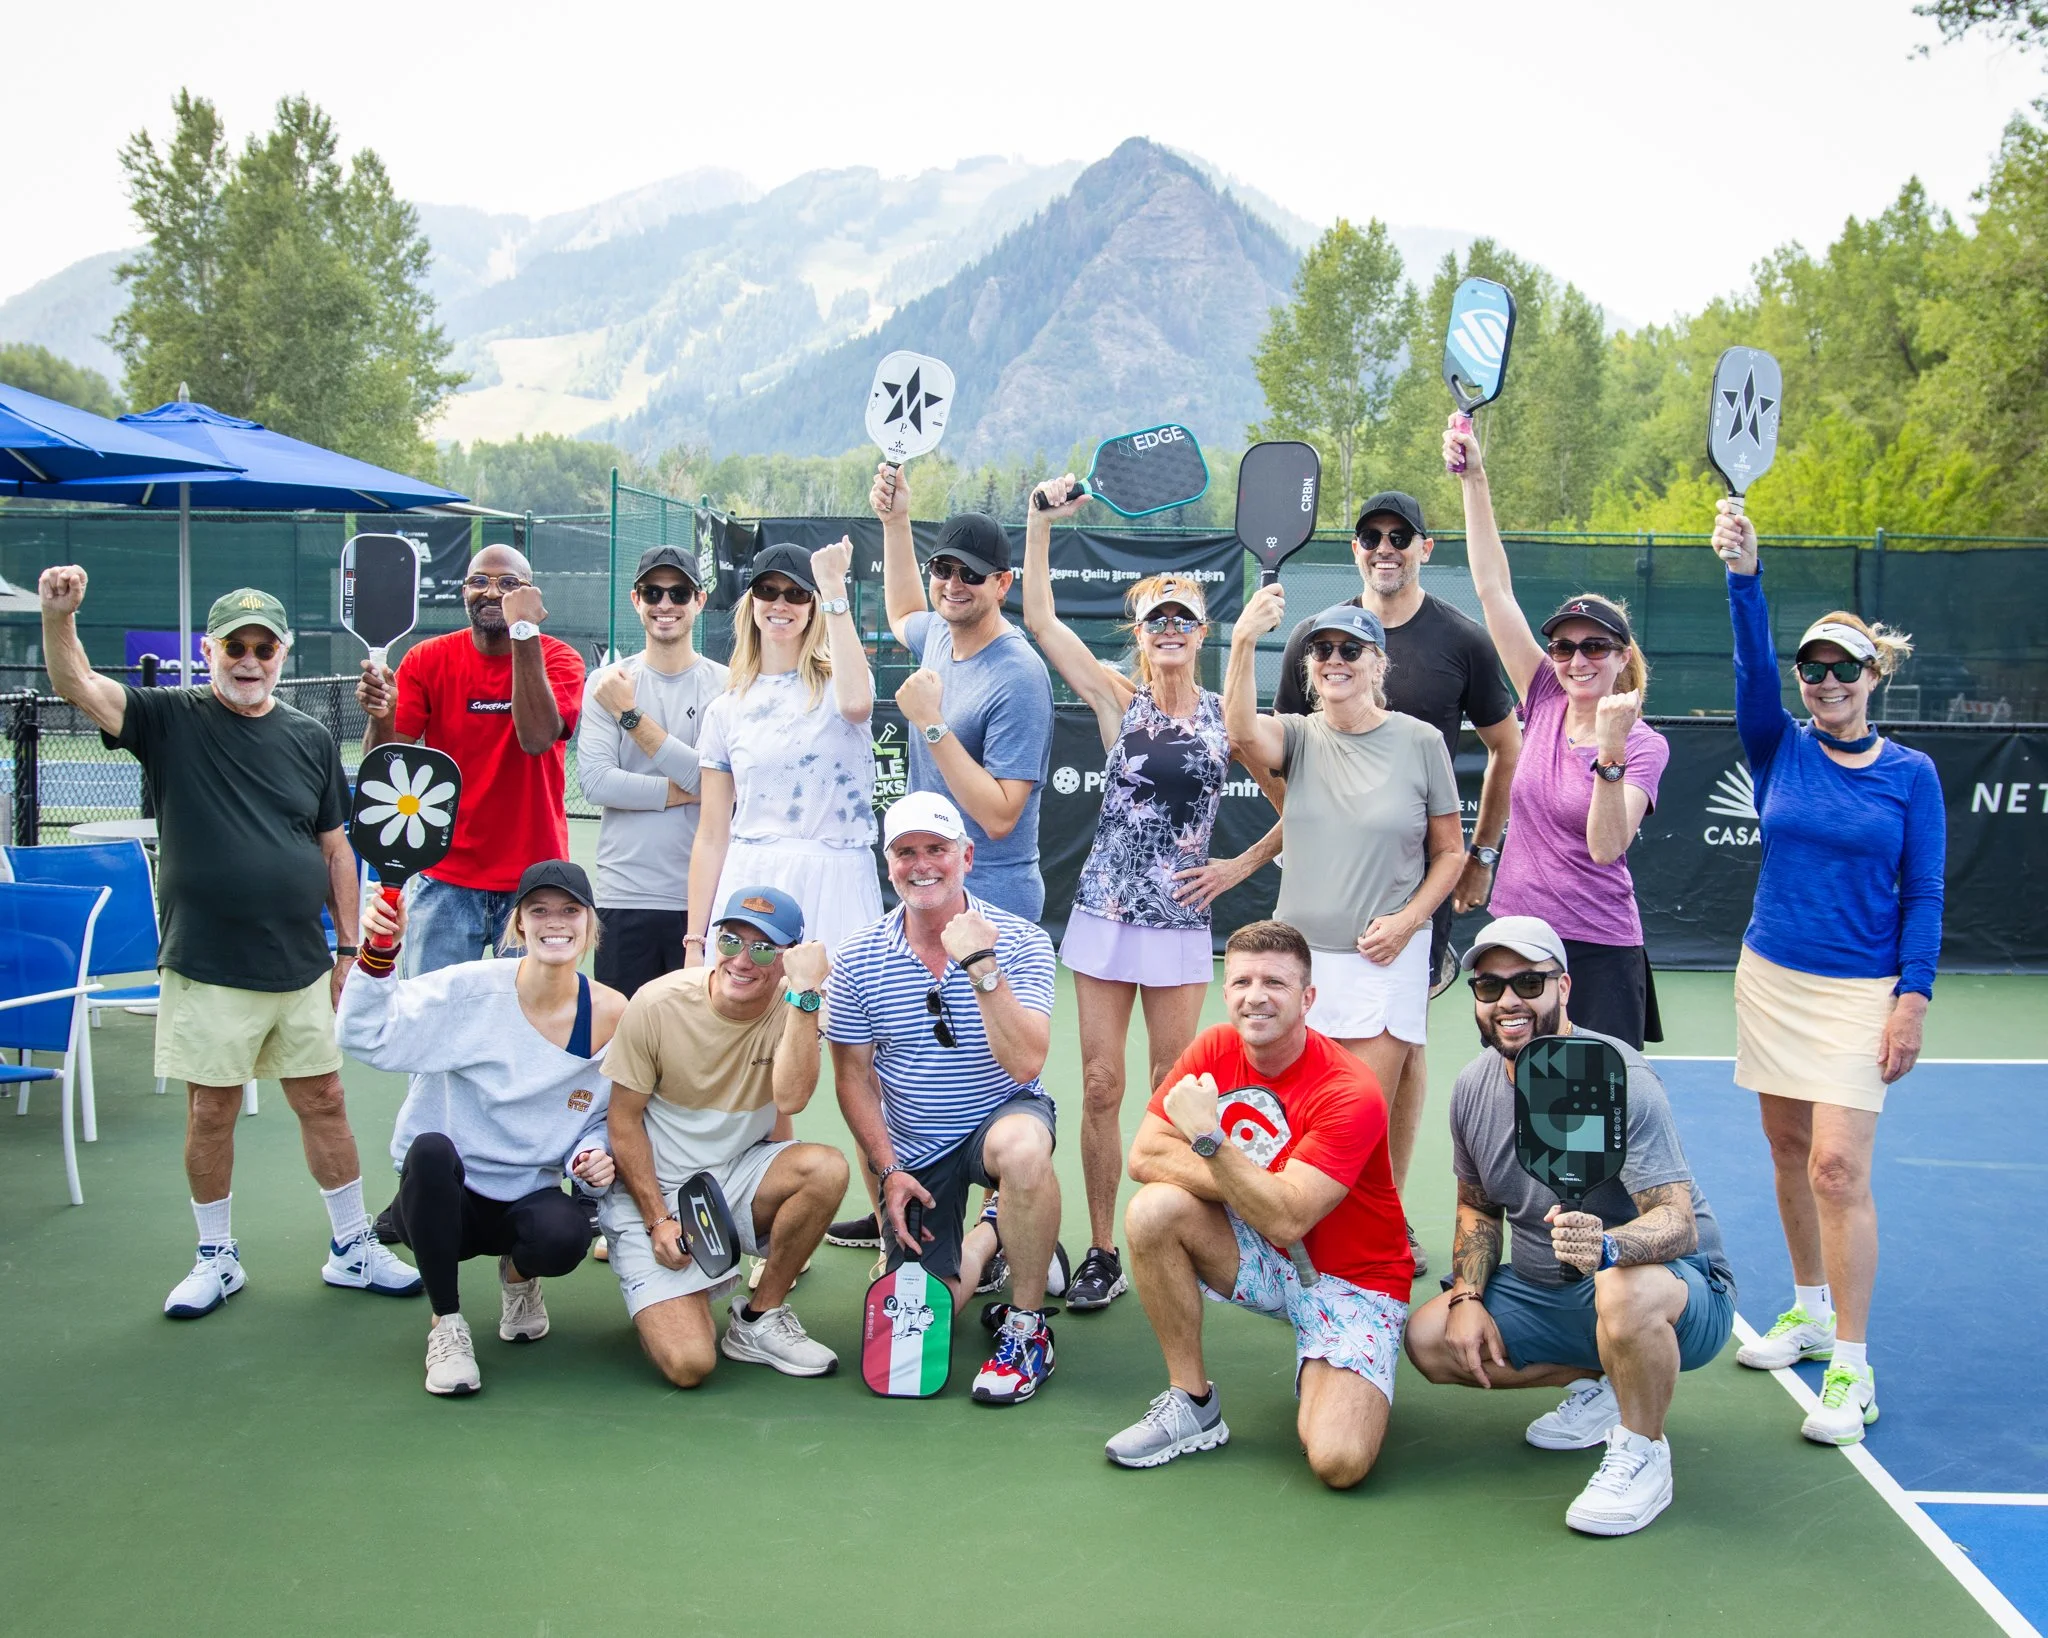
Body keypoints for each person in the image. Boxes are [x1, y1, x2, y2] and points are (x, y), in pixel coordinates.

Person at [38, 570, 419, 1317]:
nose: (249, 660)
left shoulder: (309, 737)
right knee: (210, 1111)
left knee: (325, 1098)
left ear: (281, 655)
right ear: (209, 650)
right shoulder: (166, 718)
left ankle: (351, 1247)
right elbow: (78, 684)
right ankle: (216, 1257)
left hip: (301, 964)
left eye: (263, 647)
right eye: (235, 647)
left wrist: (348, 952)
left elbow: (337, 851)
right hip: (207, 962)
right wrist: (59, 617)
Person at [1713, 504, 1944, 1446]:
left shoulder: (1911, 776)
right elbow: (1750, 669)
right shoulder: (1779, 748)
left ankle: (1853, 1364)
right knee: (1783, 1151)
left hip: (1860, 994)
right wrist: (1743, 576)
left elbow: (1923, 893)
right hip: (1771, 975)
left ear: (1873, 675)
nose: (1825, 681)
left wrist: (1912, 1000)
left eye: (1844, 666)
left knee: (1837, 1169)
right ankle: (1807, 1310)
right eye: (1813, 668)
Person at [1018, 475, 1265, 1311]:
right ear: (1138, 633)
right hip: (1104, 917)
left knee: (1173, 1088)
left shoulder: (1226, 714)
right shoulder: (1115, 701)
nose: (1168, 631)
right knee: (1098, 1086)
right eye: (1155, 619)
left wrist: (1238, 869)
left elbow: (1300, 803)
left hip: (1183, 926)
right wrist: (1040, 524)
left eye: (1183, 619)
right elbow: (1044, 622)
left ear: (1202, 634)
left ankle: (1174, 1231)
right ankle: (1099, 1248)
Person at [1404, 916, 1735, 1537]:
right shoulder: (1473, 1087)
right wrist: (1470, 1296)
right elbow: (1477, 1206)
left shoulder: (1620, 1079)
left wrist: (1608, 1245)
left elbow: (1679, 1223)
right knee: (1429, 1337)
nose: (1508, 1000)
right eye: (1489, 986)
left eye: (1529, 983)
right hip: (1545, 1289)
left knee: (1621, 1289)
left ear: (1564, 988)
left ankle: (1644, 1452)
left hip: (1673, 1289)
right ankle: (1610, 1380)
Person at [1263, 489, 1523, 1272]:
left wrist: (1479, 854)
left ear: (1423, 546)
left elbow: (1506, 750)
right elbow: (1282, 755)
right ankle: (1294, 1207)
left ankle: (1384, 1211)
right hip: (1324, 893)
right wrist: (1312, 825)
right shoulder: (1317, 637)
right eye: (1370, 535)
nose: (1385, 546)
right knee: (1306, 1051)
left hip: (1417, 887)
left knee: (1399, 1059)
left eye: (1398, 535)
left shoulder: (1462, 640)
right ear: (1355, 549)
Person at [1110, 920, 1413, 1485]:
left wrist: (1208, 1142)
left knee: (1339, 1462)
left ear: (1308, 997)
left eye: (1275, 982)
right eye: (1243, 981)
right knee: (1152, 1210)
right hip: (1260, 1249)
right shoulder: (1215, 1047)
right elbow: (1146, 1156)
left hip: (1353, 1281)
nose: (1256, 996)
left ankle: (1340, 1357)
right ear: (1226, 992)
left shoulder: (1350, 1091)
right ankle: (1191, 1403)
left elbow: (1288, 1214)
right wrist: (1258, 1186)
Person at [337, 860, 623, 1395]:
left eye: (569, 911)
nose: (553, 922)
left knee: (564, 1237)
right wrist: (378, 954)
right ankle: (446, 1325)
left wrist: (592, 1154)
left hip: (527, 1195)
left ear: (590, 926)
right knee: (428, 1152)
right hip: (447, 1195)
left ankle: (519, 1281)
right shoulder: (468, 989)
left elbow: (604, 1116)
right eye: (539, 910)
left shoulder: (612, 1014)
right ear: (518, 924)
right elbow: (365, 1034)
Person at [827, 792, 1066, 1406]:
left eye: (937, 849)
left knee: (1021, 1151)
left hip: (1000, 1118)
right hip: (916, 1154)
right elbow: (853, 1081)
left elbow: (1027, 1062)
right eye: (906, 852)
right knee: (925, 1315)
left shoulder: (1019, 940)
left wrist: (981, 965)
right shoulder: (858, 956)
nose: (922, 864)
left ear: (967, 856)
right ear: (889, 866)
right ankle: (992, 1234)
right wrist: (889, 1171)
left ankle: (1026, 1328)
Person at [1447, 418, 1669, 1047]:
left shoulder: (1645, 745)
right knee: (1514, 1098)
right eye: (1564, 647)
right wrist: (1476, 476)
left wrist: (1612, 749)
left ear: (1623, 655)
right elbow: (1493, 588)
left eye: (1594, 646)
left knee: (1593, 1127)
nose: (1576, 659)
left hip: (1597, 949)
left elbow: (1605, 846)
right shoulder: (1543, 693)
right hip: (1518, 940)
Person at [1224, 589, 1466, 1148]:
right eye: (1322, 649)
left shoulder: (1421, 741)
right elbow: (1240, 732)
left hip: (1383, 962)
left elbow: (1450, 851)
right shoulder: (1299, 735)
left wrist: (1407, 923)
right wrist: (1243, 639)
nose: (1335, 659)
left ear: (1378, 662)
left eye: (1351, 649)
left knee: (1356, 1129)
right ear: (1310, 666)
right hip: (1297, 965)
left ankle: (1366, 1233)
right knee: (1285, 1123)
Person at [600, 885, 847, 1385]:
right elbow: (622, 1123)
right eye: (732, 941)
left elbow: (793, 1098)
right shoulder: (657, 1003)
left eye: (763, 949)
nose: (743, 961)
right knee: (690, 1365)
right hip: (654, 1194)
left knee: (827, 1169)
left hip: (734, 1177)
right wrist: (656, 1222)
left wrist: (805, 995)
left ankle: (758, 1318)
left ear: (787, 959)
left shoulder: (796, 1006)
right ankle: (661, 1288)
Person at [355, 542, 586, 975]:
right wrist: (381, 715)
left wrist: (523, 632)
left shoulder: (560, 659)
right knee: (430, 1023)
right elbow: (385, 768)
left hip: (533, 885)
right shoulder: (427, 659)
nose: (492, 592)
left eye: (509, 584)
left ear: (531, 596)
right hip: (443, 879)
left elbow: (536, 737)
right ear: (463, 592)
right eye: (479, 581)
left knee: (527, 1028)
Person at [872, 463, 1054, 921]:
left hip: (993, 902)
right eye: (942, 568)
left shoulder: (1020, 676)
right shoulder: (937, 631)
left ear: (1002, 584)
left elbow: (999, 817)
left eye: (971, 574)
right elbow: (901, 614)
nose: (953, 584)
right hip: (928, 890)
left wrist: (931, 723)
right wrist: (896, 522)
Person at [684, 540, 877, 966]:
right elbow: (712, 833)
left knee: (839, 1020)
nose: (780, 604)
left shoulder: (842, 682)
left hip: (839, 875)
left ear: (813, 605)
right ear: (751, 601)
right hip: (752, 880)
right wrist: (695, 942)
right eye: (767, 591)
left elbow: (857, 706)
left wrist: (833, 588)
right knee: (746, 1020)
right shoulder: (726, 709)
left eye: (796, 594)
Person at [576, 545, 729, 997]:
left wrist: (631, 717)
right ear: (635, 599)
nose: (665, 605)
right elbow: (597, 783)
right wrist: (694, 788)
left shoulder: (728, 685)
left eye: (679, 593)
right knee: (622, 1050)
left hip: (705, 902)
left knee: (697, 1053)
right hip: (625, 897)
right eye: (653, 592)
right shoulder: (606, 683)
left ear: (699, 601)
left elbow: (717, 783)